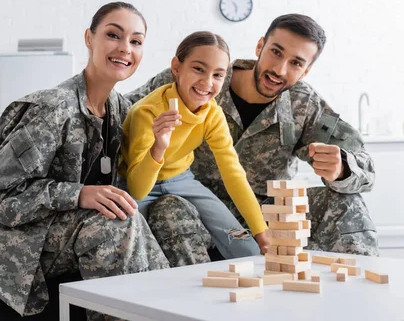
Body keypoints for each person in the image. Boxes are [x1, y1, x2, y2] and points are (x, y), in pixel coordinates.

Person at [0, 2, 169, 318]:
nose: (125, 48)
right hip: (3, 238)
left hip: (64, 232)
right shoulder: (52, 110)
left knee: (155, 215)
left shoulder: (120, 110)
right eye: (114, 35)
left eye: (136, 41)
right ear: (89, 38)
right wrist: (79, 194)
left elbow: (166, 86)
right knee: (114, 225)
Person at [127, 14, 378, 265]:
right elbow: (123, 111)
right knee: (169, 208)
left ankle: (358, 290)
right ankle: (200, 297)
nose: (279, 70)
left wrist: (343, 168)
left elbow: (365, 168)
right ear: (260, 46)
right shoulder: (202, 74)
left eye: (296, 63)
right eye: (276, 52)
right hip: (194, 209)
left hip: (265, 214)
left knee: (346, 202)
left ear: (306, 71)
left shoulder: (305, 105)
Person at [118, 31, 270, 259]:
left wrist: (261, 232)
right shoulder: (146, 112)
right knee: (133, 251)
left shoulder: (212, 114)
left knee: (243, 243)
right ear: (176, 67)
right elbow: (139, 189)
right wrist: (158, 146)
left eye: (218, 75)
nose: (207, 83)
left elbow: (233, 174)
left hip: (182, 181)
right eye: (198, 69)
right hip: (138, 184)